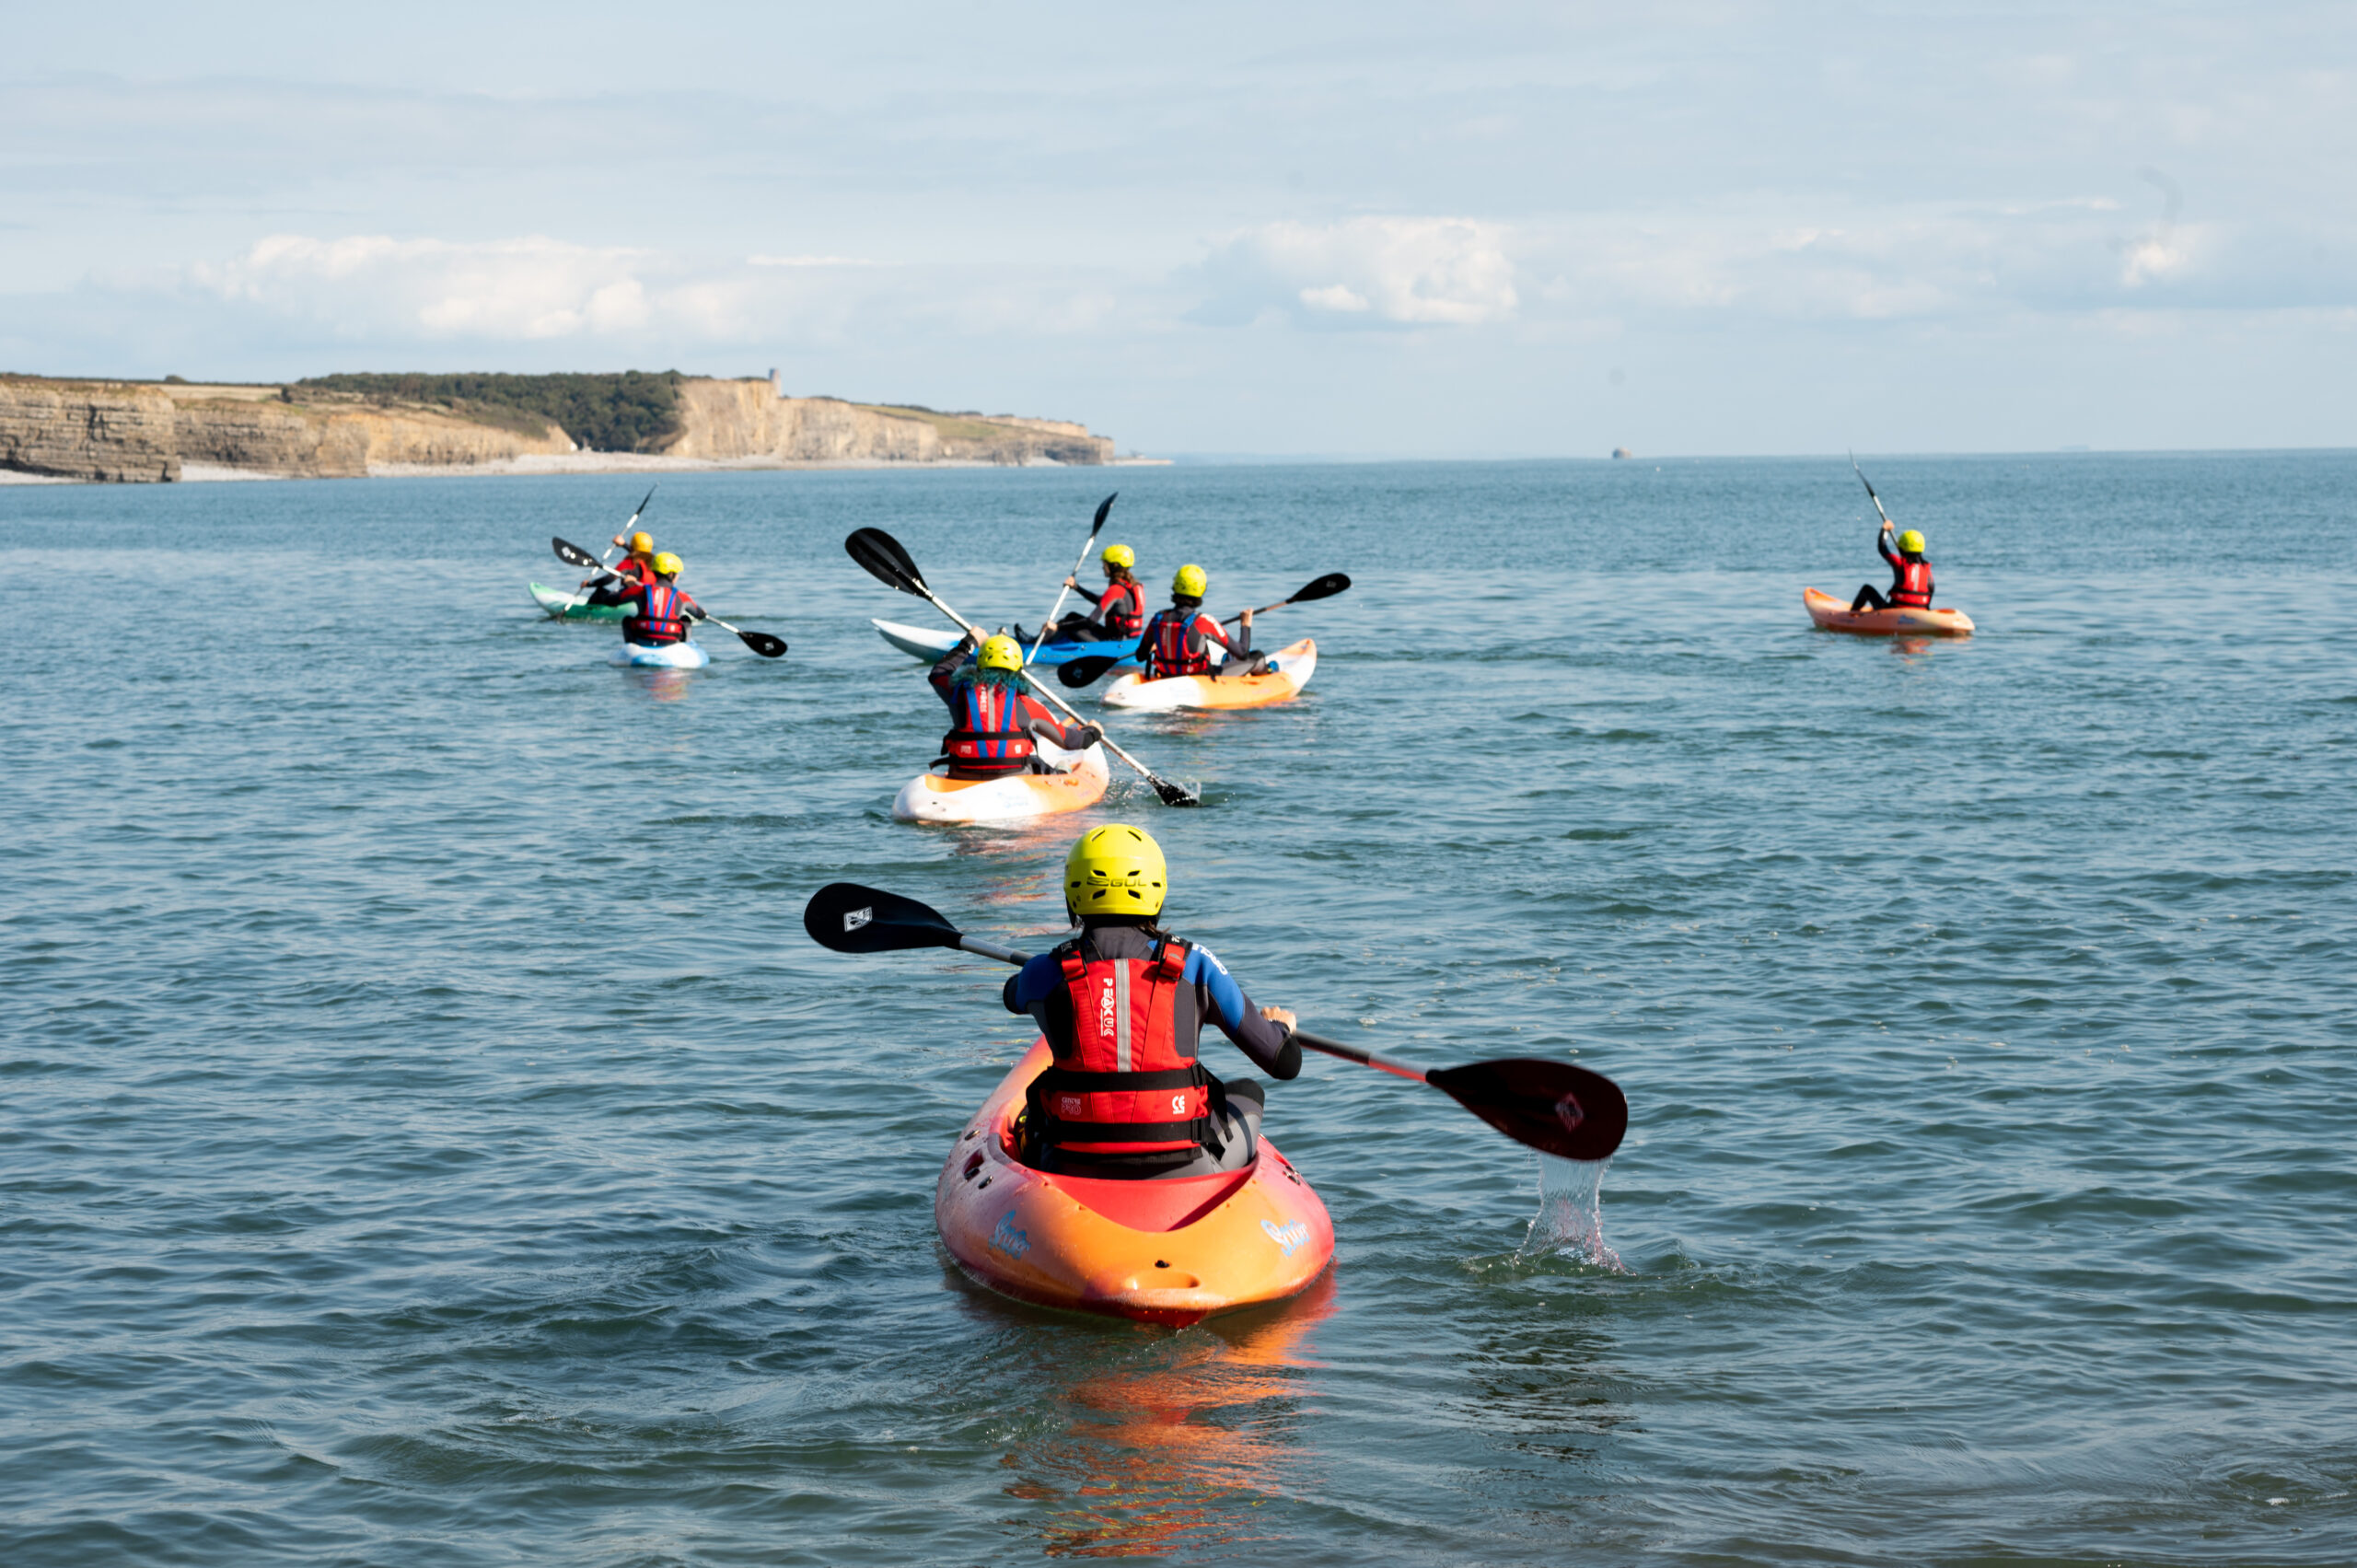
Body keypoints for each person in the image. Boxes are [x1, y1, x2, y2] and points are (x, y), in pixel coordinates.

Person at [1004, 824, 1300, 1178]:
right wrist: (1281, 1027)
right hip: (1183, 1165)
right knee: (1247, 1092)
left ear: (1073, 893)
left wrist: (1040, 972)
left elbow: (1011, 996)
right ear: (1155, 892)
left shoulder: (1045, 971)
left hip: (1071, 1162)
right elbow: (1285, 1063)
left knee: (1032, 1110)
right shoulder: (1196, 965)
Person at [929, 633, 1103, 779]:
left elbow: (938, 673)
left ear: (980, 665)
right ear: (1018, 667)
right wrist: (1092, 732)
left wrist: (970, 641)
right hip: (1014, 776)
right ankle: (1063, 771)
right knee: (1042, 765)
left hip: (964, 773)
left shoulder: (957, 694)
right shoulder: (1028, 705)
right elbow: (1070, 742)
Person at [1131, 564, 1258, 680]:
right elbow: (1242, 653)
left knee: (1229, 658)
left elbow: (1140, 656)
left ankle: (1227, 660)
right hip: (1198, 679)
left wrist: (1154, 646)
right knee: (1257, 656)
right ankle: (1269, 671)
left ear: (1175, 586)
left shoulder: (1157, 619)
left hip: (1165, 676)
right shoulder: (1204, 621)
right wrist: (1245, 625)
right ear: (1202, 590)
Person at [585, 551, 702, 648]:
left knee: (628, 620)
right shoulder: (682, 596)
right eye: (677, 573)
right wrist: (703, 613)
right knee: (686, 620)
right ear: (671, 574)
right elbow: (698, 614)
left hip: (642, 642)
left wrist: (626, 587)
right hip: (671, 645)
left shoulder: (639, 590)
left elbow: (610, 601)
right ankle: (684, 649)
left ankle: (630, 648)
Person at [1039, 543, 1148, 645]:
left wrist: (1057, 627)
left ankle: (1041, 645)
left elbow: (1091, 621)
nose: (1102, 567)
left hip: (1114, 641)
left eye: (1104, 564)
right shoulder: (1131, 585)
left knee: (1068, 626)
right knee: (1072, 616)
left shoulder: (1116, 589)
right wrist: (1077, 588)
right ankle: (1045, 640)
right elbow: (1102, 602)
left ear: (1114, 565)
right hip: (1127, 637)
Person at [1852, 521, 1934, 613]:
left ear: (1900, 547)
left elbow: (1882, 547)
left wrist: (1885, 529)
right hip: (1920, 613)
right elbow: (1931, 590)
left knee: (1866, 589)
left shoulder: (1900, 563)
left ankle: (1851, 615)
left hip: (1894, 611)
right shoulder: (1926, 569)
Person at [588, 528, 658, 594]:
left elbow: (609, 579)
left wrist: (590, 583)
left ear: (632, 546)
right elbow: (639, 553)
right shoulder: (655, 562)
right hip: (650, 597)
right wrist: (624, 544)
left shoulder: (630, 562)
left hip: (632, 597)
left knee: (599, 592)